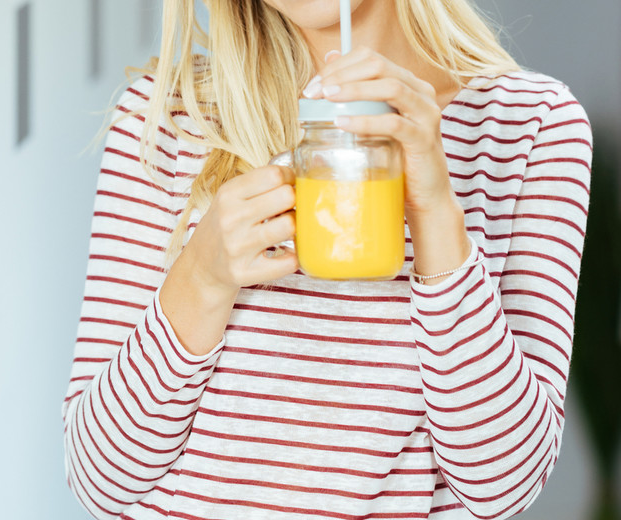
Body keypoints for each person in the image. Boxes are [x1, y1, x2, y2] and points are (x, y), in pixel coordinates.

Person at [62, 0, 592, 518]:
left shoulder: (529, 126)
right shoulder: (169, 118)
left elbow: (504, 485)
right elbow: (98, 478)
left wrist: (434, 209)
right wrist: (201, 277)